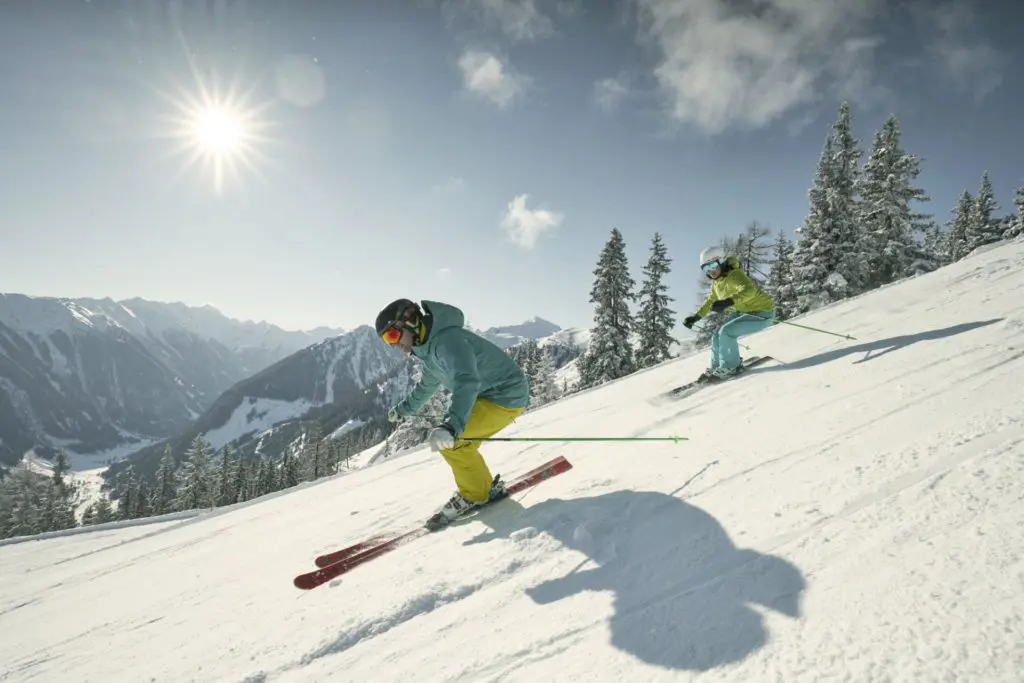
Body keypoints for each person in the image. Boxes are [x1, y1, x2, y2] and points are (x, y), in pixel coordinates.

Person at [375, 298, 531, 530]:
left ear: (410, 323)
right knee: (455, 442)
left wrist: (452, 426)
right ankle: (481, 488)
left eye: (392, 336)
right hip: (488, 396)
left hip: (505, 396)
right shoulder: (428, 350)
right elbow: (426, 387)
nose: (393, 345)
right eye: (387, 341)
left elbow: (467, 380)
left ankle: (478, 493)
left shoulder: (448, 341)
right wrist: (403, 410)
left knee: (453, 442)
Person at [682, 246, 777, 380]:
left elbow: (750, 290)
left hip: (762, 313)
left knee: (726, 332)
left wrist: (729, 301)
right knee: (716, 335)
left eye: (713, 265)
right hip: (743, 312)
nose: (711, 271)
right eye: (706, 268)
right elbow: (710, 301)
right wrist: (695, 317)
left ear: (721, 262)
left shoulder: (734, 275)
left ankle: (731, 366)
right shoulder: (717, 282)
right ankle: (716, 366)